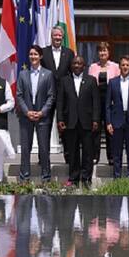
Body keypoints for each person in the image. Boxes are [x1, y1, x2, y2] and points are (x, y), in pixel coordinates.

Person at [57, 56, 100, 187]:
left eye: (79, 63)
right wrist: (60, 119)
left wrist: (95, 119)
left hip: (86, 122)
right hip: (70, 121)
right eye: (74, 63)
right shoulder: (64, 81)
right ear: (71, 65)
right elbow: (60, 102)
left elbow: (96, 102)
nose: (77, 65)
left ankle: (86, 178)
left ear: (84, 66)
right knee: (72, 151)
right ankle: (74, 178)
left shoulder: (91, 81)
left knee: (88, 151)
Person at [16, 45, 55, 183]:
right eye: (31, 54)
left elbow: (51, 96)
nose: (33, 57)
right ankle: (24, 178)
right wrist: (27, 112)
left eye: (35, 54)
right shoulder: (23, 74)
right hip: (26, 118)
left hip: (42, 117)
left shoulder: (48, 74)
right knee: (25, 149)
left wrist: (42, 112)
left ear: (41, 56)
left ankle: (46, 178)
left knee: (44, 149)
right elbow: (19, 95)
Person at [105, 55, 129, 178]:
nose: (125, 67)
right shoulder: (113, 82)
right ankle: (117, 178)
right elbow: (107, 105)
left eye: (127, 65)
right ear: (119, 67)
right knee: (117, 153)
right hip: (117, 121)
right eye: (123, 65)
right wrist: (108, 122)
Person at [41, 25, 75, 160]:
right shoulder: (44, 52)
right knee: (45, 127)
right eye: (55, 35)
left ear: (63, 37)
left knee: (66, 127)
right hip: (47, 95)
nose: (57, 38)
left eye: (60, 36)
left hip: (64, 96)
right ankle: (43, 157)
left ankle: (68, 156)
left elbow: (72, 74)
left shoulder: (70, 53)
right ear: (51, 36)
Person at [88, 42, 120, 165]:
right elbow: (90, 86)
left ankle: (111, 156)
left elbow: (117, 85)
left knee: (110, 130)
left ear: (109, 52)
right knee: (95, 130)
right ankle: (95, 156)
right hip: (96, 102)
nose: (102, 53)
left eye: (105, 50)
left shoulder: (115, 66)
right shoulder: (92, 67)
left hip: (110, 102)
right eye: (101, 51)